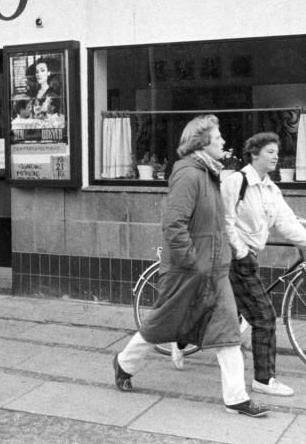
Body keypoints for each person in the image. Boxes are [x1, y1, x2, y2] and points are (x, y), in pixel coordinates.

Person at [112, 114, 268, 418]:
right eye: (218, 136)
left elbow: (216, 222)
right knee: (162, 324)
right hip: (190, 270)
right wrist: (191, 262)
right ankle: (124, 363)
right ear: (202, 142)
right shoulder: (188, 173)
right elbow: (173, 224)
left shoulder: (210, 172)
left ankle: (236, 398)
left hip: (214, 269)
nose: (223, 140)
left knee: (228, 331)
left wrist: (228, 252)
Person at [221, 132, 306, 397]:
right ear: (254, 154)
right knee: (264, 316)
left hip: (248, 258)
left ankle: (181, 338)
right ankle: (263, 379)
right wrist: (240, 251)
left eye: (276, 152)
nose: (275, 156)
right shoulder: (237, 181)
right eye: (270, 151)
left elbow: (286, 222)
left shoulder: (270, 188)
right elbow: (225, 220)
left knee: (227, 315)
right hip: (235, 259)